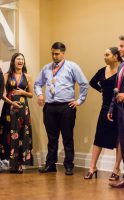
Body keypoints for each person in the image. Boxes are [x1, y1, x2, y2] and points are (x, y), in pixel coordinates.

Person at [34, 42, 88, 175]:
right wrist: (40, 94)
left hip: (66, 107)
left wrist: (79, 101)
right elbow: (37, 84)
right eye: (52, 53)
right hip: (50, 107)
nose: (54, 56)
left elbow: (84, 84)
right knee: (52, 138)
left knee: (67, 137)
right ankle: (50, 164)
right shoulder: (47, 68)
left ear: (63, 53)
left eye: (57, 53)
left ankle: (69, 165)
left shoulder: (72, 66)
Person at [84, 47, 122, 180]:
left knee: (119, 138)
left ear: (116, 56)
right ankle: (92, 167)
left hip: (120, 108)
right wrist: (102, 90)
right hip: (105, 107)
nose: (104, 57)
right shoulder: (102, 70)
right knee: (98, 136)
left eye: (107, 54)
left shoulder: (122, 71)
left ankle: (116, 169)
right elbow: (92, 82)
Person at [0, 53, 34, 173]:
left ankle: (19, 164)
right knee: (9, 133)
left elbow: (31, 94)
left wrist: (23, 92)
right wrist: (11, 103)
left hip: (23, 109)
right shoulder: (7, 75)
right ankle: (10, 162)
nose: (20, 61)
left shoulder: (27, 76)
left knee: (22, 133)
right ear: (13, 61)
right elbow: (1, 94)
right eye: (18, 59)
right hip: (10, 108)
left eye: (22, 59)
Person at [108, 36, 124, 188]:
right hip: (119, 110)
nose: (119, 49)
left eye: (122, 46)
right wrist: (112, 108)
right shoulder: (121, 66)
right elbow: (116, 88)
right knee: (123, 143)